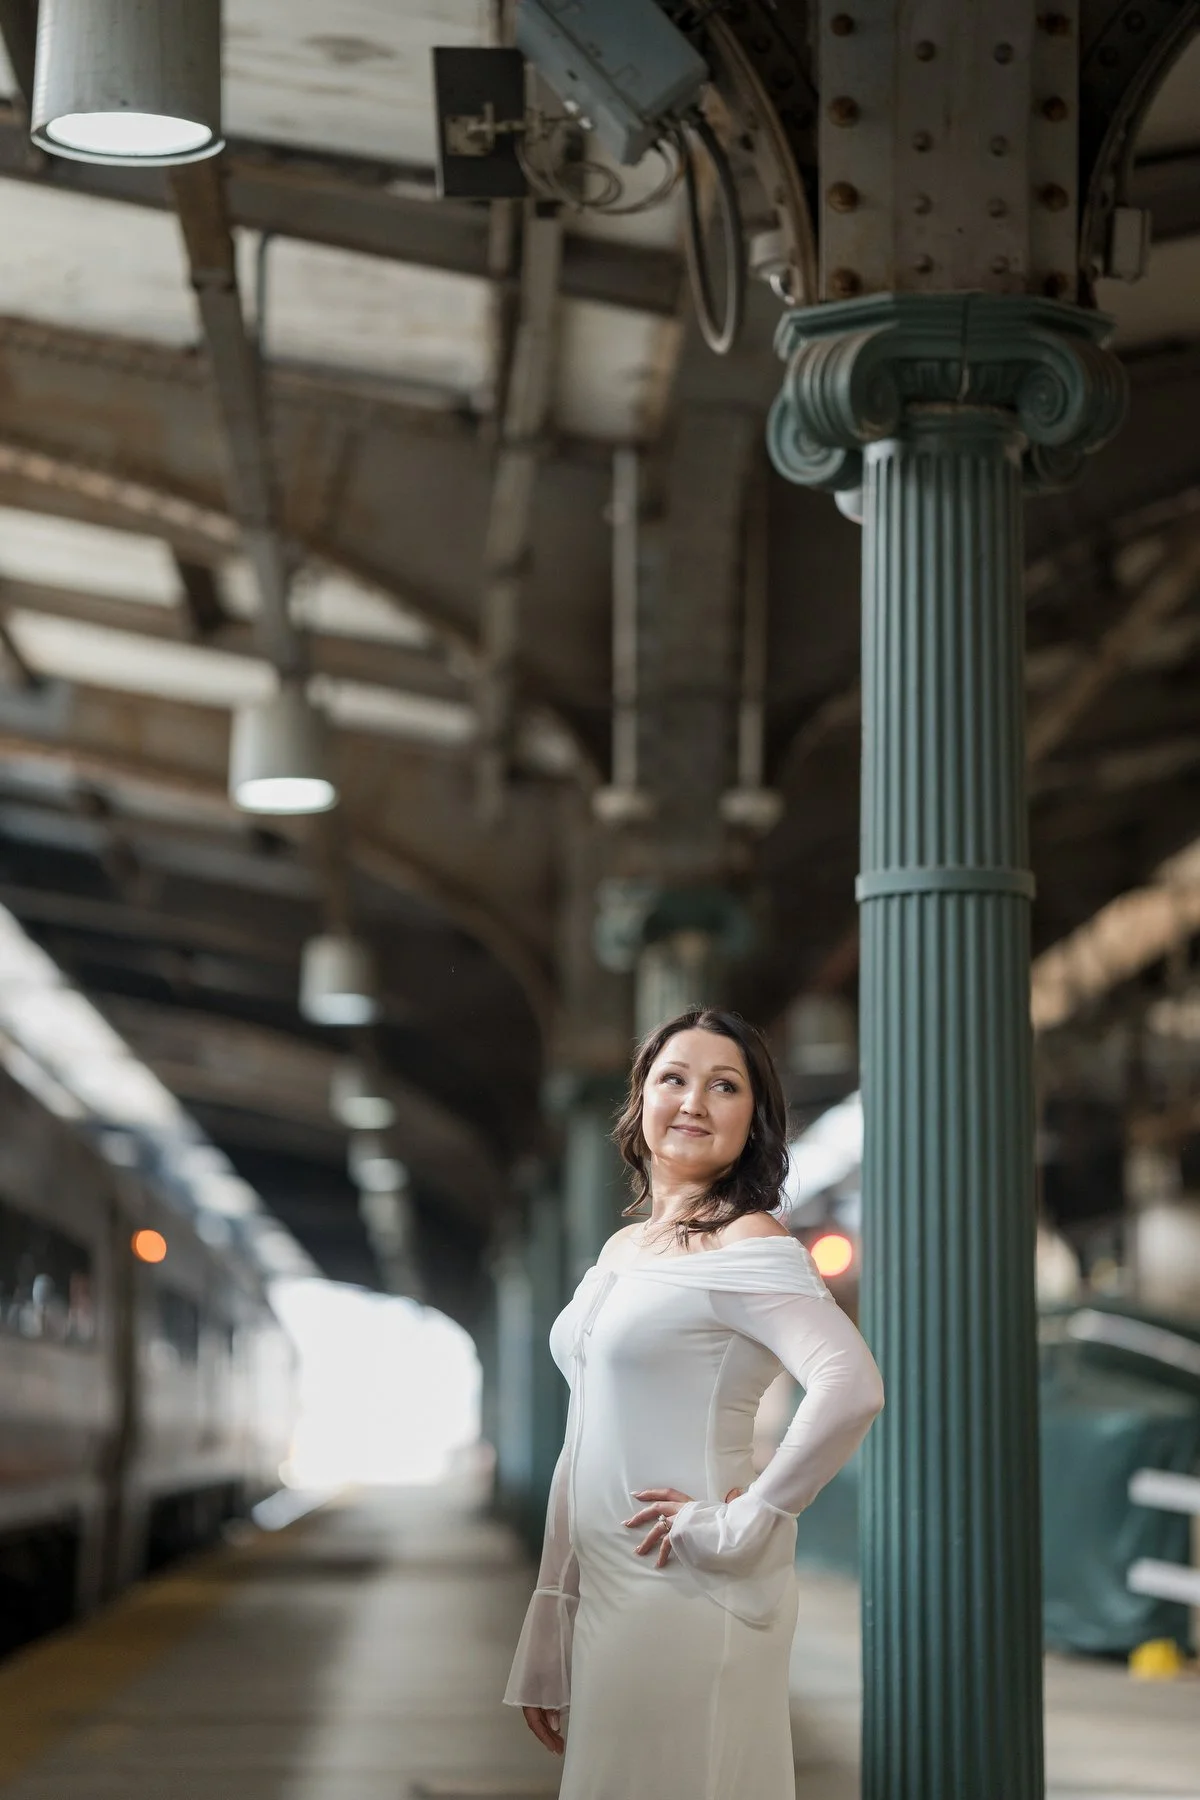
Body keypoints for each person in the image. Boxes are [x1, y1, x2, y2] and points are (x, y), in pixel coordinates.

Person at [503, 1006, 884, 1799]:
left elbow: (851, 1388)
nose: (694, 1102)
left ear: (755, 1120)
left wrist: (750, 1517)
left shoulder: (750, 1242)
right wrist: (552, 1614)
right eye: (673, 1079)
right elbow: (584, 1438)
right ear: (640, 1101)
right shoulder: (623, 1250)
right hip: (611, 1593)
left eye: (725, 1086)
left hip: (687, 1582)